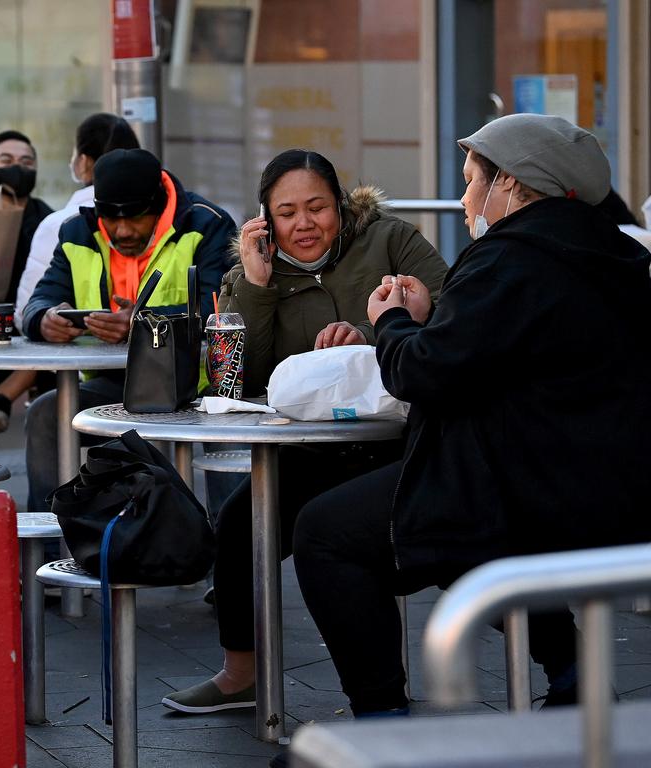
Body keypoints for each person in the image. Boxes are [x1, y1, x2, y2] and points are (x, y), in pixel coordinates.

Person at [287, 114, 651, 733]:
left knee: (327, 532)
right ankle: (571, 677)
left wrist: (394, 322)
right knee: (438, 514)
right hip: (608, 490)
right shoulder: (615, 253)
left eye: (470, 182)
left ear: (509, 184)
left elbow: (424, 375)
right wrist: (435, 317)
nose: (462, 201)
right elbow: (500, 353)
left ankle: (381, 727)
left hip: (528, 491)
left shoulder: (513, 257)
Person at [162, 149, 448, 715]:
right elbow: (239, 380)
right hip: (315, 447)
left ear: (341, 205)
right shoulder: (252, 272)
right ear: (266, 219)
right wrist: (257, 284)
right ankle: (240, 675)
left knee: (349, 540)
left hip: (402, 442)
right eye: (287, 212)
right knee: (242, 523)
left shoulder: (391, 240)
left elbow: (445, 308)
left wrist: (368, 331)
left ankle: (387, 700)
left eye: (317, 207)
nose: (304, 224)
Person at [22, 148, 236, 512]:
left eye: (135, 218)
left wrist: (141, 321)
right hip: (117, 384)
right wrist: (44, 318)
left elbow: (222, 307)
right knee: (45, 414)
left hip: (205, 385)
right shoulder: (77, 230)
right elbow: (41, 297)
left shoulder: (207, 224)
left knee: (233, 473)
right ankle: (50, 547)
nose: (122, 230)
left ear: (160, 202)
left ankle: (234, 558)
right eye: (111, 219)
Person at [14, 113, 140, 331]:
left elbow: (25, 311)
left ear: (83, 161)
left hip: (80, 361)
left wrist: (44, 321)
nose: (123, 231)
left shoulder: (59, 224)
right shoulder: (166, 218)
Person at [0, 129, 55, 434]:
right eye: (6, 160)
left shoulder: (49, 223)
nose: (18, 168)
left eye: (26, 162)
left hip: (26, 330)